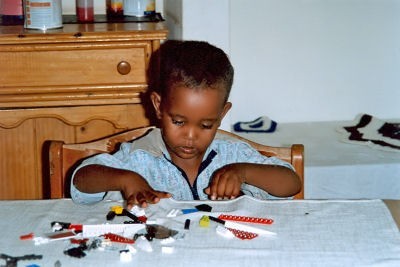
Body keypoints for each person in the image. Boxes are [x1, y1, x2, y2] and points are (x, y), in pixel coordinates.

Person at [71, 40, 301, 209]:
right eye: (179, 121)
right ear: (158, 105)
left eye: (206, 125)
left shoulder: (232, 155)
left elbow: (291, 184)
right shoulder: (139, 156)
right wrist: (126, 179)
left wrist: (243, 172)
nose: (190, 135)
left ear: (222, 114)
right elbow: (82, 179)